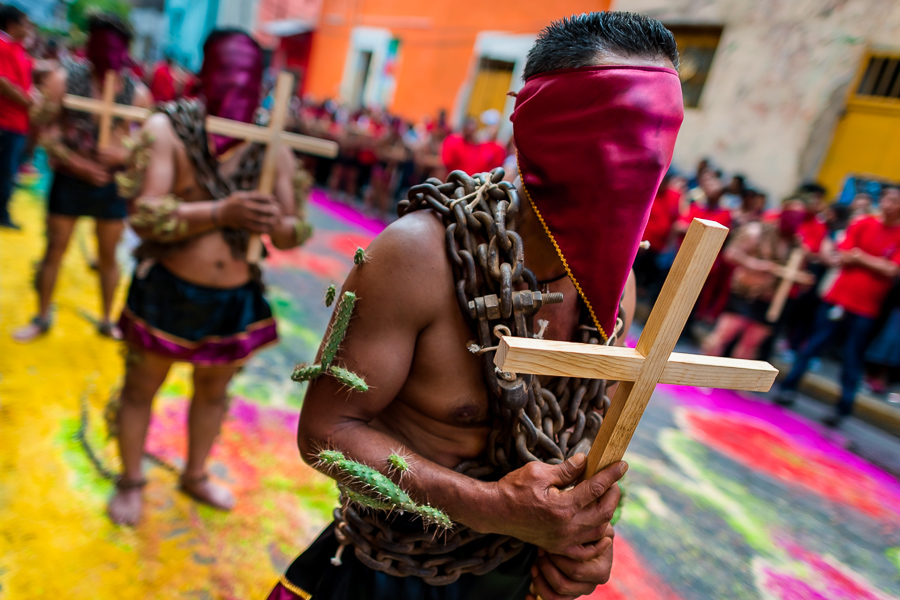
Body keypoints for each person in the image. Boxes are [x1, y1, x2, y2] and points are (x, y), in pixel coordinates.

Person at [271, 12, 682, 600]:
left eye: (660, 132)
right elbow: (326, 431)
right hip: (394, 573)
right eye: (616, 126)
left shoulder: (621, 287)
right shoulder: (417, 255)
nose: (641, 156)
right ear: (538, 125)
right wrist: (488, 505)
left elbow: (588, 440)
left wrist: (582, 545)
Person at [105, 29, 313, 526]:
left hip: (235, 294)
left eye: (249, 77)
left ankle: (194, 473)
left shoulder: (272, 145)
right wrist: (223, 210)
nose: (238, 85)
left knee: (215, 392)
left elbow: (293, 228)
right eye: (227, 72)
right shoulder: (168, 130)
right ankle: (131, 479)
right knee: (140, 387)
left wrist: (274, 223)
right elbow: (144, 214)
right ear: (205, 74)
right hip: (168, 288)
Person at [12, 13, 152, 342]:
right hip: (70, 181)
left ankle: (107, 319)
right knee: (54, 249)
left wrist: (124, 155)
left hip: (110, 184)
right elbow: (43, 126)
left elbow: (149, 143)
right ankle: (42, 315)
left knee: (108, 256)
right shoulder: (64, 80)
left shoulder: (138, 94)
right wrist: (75, 162)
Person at [776, 186, 900, 427]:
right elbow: (842, 255)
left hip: (866, 308)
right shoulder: (863, 223)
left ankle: (843, 409)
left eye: (895, 201)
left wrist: (860, 257)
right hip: (837, 299)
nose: (889, 204)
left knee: (852, 358)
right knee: (812, 345)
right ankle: (788, 387)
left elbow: (892, 270)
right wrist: (871, 261)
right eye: (887, 199)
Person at [702, 199, 814, 360]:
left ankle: (730, 384)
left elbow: (796, 272)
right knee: (722, 336)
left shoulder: (797, 245)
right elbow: (730, 253)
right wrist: (754, 264)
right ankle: (698, 379)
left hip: (769, 301)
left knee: (749, 347)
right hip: (745, 292)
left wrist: (801, 279)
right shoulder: (757, 231)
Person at [0, 5, 34, 230]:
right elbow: (2, 82)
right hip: (6, 121)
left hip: (16, 122)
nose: (28, 28)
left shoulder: (16, 47)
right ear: (12, 25)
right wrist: (28, 101)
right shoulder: (3, 46)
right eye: (25, 23)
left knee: (8, 170)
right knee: (5, 171)